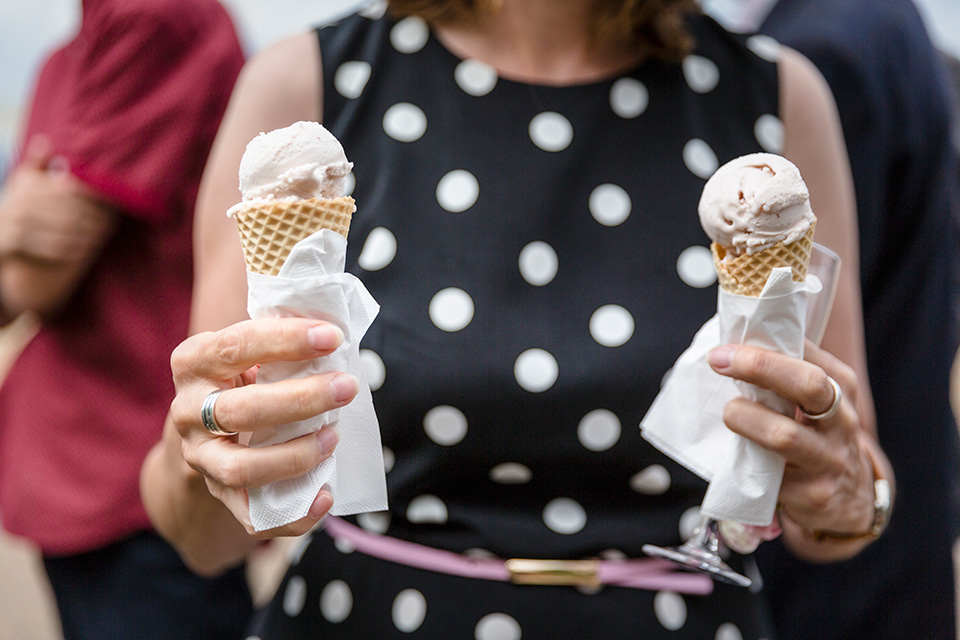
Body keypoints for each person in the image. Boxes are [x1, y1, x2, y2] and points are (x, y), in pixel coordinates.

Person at [142, 1, 894, 637]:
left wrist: (853, 497)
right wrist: (211, 461)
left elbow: (845, 482)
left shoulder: (777, 96)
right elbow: (204, 532)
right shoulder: (305, 86)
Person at [702, 1, 960, 637]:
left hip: (825, 580)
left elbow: (800, 321)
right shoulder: (883, 18)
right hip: (904, 525)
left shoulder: (822, 53)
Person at [0, 1, 251, 638]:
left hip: (142, 468)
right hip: (80, 454)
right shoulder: (67, 53)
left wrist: (12, 230)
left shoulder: (155, 16)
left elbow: (35, 281)